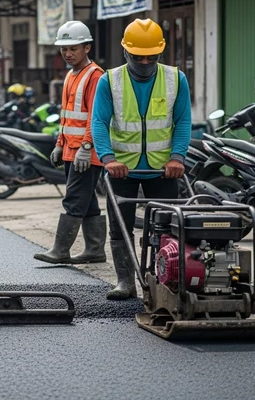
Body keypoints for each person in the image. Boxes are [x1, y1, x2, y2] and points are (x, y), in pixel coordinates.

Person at [91, 18, 192, 300]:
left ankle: (165, 277)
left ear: (160, 53)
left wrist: (177, 157)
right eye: (139, 57)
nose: (145, 61)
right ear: (126, 53)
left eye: (152, 56)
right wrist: (108, 158)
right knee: (119, 225)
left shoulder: (175, 78)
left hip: (163, 170)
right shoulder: (109, 80)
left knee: (166, 226)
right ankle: (125, 281)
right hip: (122, 168)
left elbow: (183, 121)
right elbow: (99, 122)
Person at [34, 21, 106, 265]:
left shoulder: (95, 76)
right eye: (63, 48)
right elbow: (67, 116)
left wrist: (86, 147)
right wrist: (59, 143)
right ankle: (95, 250)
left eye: (73, 48)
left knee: (74, 199)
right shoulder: (70, 75)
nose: (67, 53)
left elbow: (96, 117)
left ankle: (60, 250)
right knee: (87, 200)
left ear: (87, 47)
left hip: (86, 153)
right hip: (70, 150)